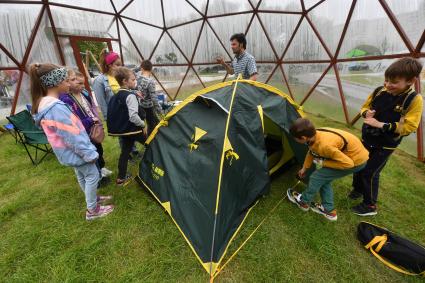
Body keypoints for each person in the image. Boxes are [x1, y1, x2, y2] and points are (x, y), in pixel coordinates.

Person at [30, 63, 114, 220]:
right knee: (92, 176)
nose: (69, 83)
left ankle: (93, 200)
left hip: (67, 152)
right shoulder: (56, 108)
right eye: (66, 80)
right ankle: (93, 210)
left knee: (82, 175)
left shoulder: (47, 105)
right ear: (55, 83)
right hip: (76, 150)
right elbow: (71, 135)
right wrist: (88, 153)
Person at [350, 57, 423, 216]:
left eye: (394, 82)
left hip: (385, 145)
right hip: (368, 138)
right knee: (359, 164)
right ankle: (358, 190)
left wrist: (381, 125)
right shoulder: (379, 91)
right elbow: (364, 107)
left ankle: (369, 206)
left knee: (370, 172)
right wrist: (366, 113)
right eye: (386, 80)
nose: (388, 85)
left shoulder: (414, 100)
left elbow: (410, 126)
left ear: (410, 81)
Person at [286, 118, 369, 221]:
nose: (294, 140)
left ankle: (304, 202)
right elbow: (312, 151)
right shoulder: (315, 135)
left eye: (295, 138)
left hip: (355, 161)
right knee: (324, 179)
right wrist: (304, 168)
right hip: (348, 156)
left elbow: (348, 164)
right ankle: (329, 210)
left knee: (317, 177)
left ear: (303, 137)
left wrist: (323, 163)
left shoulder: (325, 146)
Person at [59, 69, 113, 179]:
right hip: (84, 132)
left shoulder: (84, 94)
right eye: (79, 83)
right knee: (91, 152)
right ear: (67, 83)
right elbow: (75, 120)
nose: (83, 86)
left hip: (93, 128)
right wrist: (90, 120)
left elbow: (92, 108)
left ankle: (101, 168)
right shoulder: (67, 99)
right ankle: (97, 175)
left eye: (83, 83)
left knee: (99, 149)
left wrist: (98, 122)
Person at [107, 67, 147, 186]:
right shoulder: (130, 96)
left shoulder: (116, 95)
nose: (135, 82)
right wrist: (143, 124)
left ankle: (121, 178)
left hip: (124, 132)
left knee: (124, 153)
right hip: (134, 130)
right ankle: (155, 166)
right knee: (152, 143)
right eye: (133, 79)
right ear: (125, 81)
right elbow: (133, 117)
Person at [92, 49, 122, 120]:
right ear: (109, 65)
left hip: (126, 114)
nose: (120, 67)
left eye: (121, 64)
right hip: (115, 116)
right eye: (117, 65)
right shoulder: (99, 81)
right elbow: (102, 103)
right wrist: (108, 119)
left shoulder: (120, 76)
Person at [136, 59, 161, 136]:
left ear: (142, 68)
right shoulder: (150, 81)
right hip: (148, 107)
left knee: (155, 122)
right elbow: (154, 98)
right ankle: (149, 143)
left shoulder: (137, 79)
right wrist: (159, 109)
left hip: (140, 105)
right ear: (151, 69)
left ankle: (157, 137)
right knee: (151, 125)